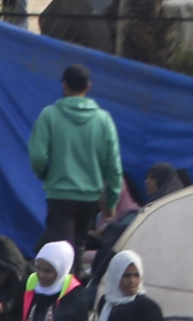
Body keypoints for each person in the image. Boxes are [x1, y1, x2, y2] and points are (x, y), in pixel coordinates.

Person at [27, 62, 123, 258]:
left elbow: (37, 157)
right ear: (88, 87)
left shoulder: (49, 116)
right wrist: (111, 201)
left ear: (64, 85)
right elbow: (113, 166)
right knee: (78, 248)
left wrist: (45, 174)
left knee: (60, 254)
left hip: (60, 195)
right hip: (90, 198)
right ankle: (75, 287)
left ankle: (63, 289)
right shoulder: (104, 120)